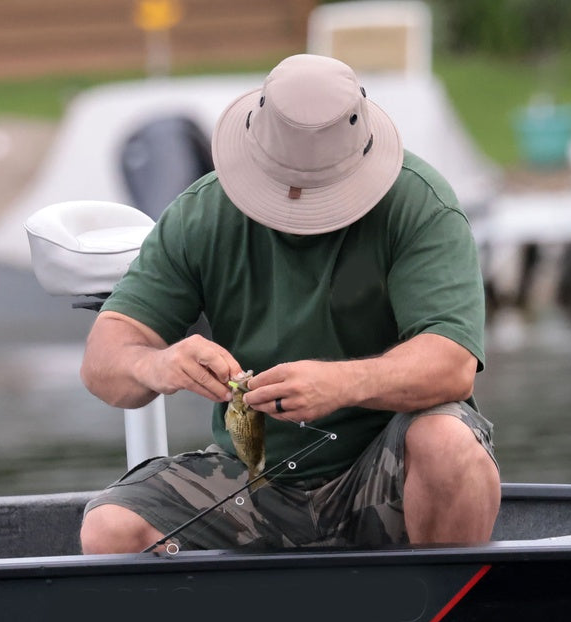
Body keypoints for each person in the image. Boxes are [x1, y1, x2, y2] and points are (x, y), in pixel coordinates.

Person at [78, 54, 500, 554]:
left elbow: (452, 365)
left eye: (317, 195)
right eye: (283, 191)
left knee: (448, 446)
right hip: (254, 478)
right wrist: (160, 364)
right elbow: (102, 363)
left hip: (384, 474)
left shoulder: (420, 204)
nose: (297, 207)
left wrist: (340, 383)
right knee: (109, 530)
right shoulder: (201, 213)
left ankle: (438, 606)